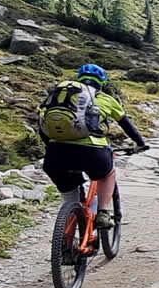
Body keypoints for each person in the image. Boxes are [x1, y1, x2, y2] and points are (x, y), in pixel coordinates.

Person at [38, 64, 148, 230]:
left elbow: (42, 125)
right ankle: (103, 213)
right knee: (108, 174)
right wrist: (140, 144)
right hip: (93, 152)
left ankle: (67, 231)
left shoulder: (59, 97)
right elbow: (127, 125)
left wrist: (52, 147)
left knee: (69, 195)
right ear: (102, 83)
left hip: (56, 154)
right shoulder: (106, 99)